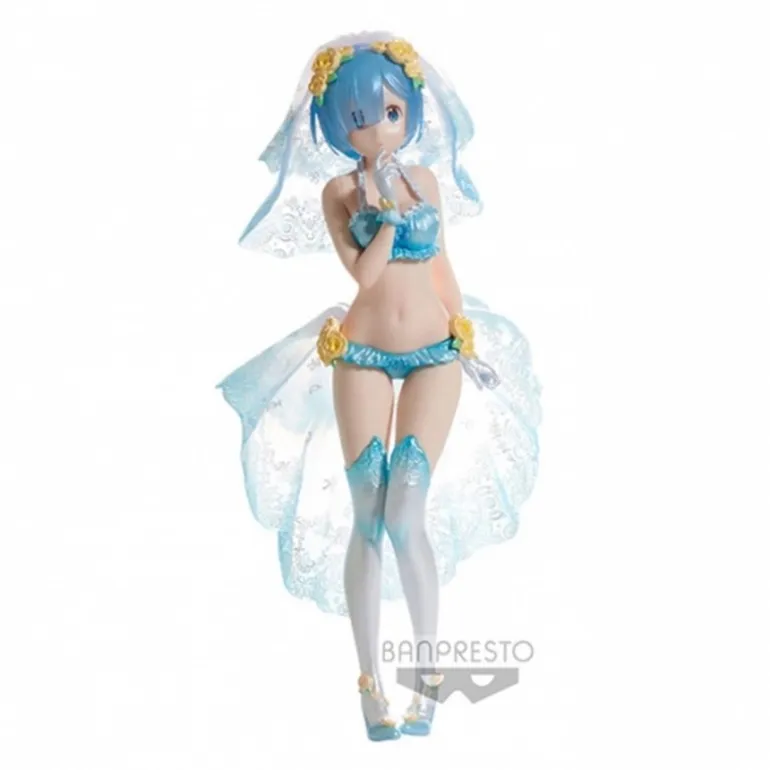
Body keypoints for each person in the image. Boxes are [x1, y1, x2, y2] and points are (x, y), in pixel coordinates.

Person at [216, 31, 542, 741]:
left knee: (406, 508)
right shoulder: (340, 192)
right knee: (368, 512)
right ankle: (369, 683)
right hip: (360, 351)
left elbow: (441, 263)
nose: (376, 130)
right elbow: (364, 276)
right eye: (358, 119)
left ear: (410, 112)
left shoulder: (426, 181)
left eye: (389, 113)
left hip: (434, 354)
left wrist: (462, 330)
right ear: (338, 127)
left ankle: (427, 676)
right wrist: (386, 218)